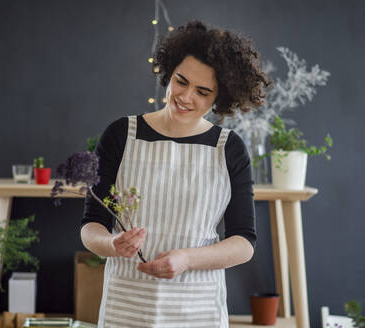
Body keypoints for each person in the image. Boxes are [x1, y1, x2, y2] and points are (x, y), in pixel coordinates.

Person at [81, 20, 271, 328]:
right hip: (127, 305)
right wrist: (112, 244)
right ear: (169, 73)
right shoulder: (121, 135)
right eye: (181, 82)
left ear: (219, 98)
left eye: (202, 92)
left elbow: (244, 242)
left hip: (197, 308)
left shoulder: (229, 148)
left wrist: (187, 259)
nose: (185, 97)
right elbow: (91, 226)